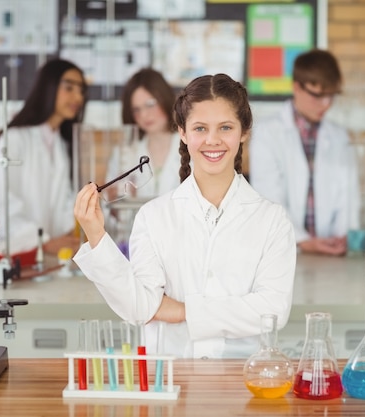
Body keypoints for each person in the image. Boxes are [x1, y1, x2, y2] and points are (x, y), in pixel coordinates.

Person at [73, 74, 296, 358]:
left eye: (225, 127)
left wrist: (181, 311)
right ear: (182, 132)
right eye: (200, 128)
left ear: (244, 132)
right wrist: (95, 234)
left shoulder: (272, 220)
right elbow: (139, 308)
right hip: (169, 380)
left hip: (243, 382)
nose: (212, 141)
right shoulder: (154, 217)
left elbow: (273, 310)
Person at [248, 49, 360, 256]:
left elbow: (348, 198)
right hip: (283, 250)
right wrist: (304, 241)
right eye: (317, 95)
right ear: (296, 87)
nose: (325, 104)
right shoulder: (267, 133)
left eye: (330, 96)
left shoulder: (339, 137)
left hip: (332, 254)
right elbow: (269, 197)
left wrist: (343, 238)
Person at [0, 58, 88, 255]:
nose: (78, 98)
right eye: (69, 88)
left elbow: (60, 207)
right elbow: (1, 205)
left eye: (81, 90)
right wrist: (43, 243)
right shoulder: (13, 139)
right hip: (13, 255)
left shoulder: (61, 144)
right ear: (48, 87)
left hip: (47, 259)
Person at [107, 68, 181, 198]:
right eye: (137, 109)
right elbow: (112, 209)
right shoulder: (124, 154)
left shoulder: (191, 146)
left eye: (150, 104)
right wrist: (115, 199)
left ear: (165, 98)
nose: (144, 115)